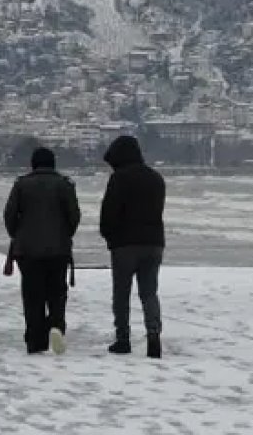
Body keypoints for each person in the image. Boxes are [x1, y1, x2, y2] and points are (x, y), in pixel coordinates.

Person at [3, 147, 81, 355]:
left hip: (27, 250)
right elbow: (74, 216)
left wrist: (17, 235)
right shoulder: (65, 185)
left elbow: (9, 215)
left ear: (33, 164)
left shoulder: (21, 185)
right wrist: (65, 234)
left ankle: (35, 339)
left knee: (32, 294)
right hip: (58, 249)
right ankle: (56, 325)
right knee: (57, 291)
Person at [100, 135, 166, 359]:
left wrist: (109, 237)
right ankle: (154, 335)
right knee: (149, 292)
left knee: (122, 293)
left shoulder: (119, 179)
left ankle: (123, 339)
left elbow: (108, 214)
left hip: (124, 245)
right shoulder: (156, 179)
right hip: (154, 243)